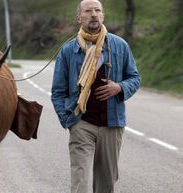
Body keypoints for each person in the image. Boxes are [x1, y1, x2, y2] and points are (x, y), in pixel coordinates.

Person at [51, 0, 141, 192]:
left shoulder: (120, 46)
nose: (93, 14)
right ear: (79, 18)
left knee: (106, 183)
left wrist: (120, 87)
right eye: (88, 11)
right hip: (81, 122)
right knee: (80, 181)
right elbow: (58, 92)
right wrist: (69, 120)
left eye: (97, 10)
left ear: (103, 15)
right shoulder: (68, 50)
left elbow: (135, 77)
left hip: (112, 123)